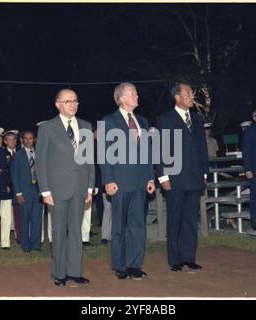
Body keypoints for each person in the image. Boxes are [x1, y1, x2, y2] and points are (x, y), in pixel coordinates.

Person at [36, 89, 95, 287]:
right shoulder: (47, 128)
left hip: (80, 188)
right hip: (57, 190)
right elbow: (41, 161)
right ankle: (59, 273)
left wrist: (90, 187)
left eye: (75, 101)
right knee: (59, 231)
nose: (73, 104)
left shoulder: (86, 126)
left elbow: (89, 160)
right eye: (68, 101)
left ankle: (74, 271)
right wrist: (45, 191)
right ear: (58, 104)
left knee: (76, 232)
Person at [100, 82, 156, 280]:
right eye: (133, 93)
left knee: (137, 226)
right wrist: (108, 180)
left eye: (136, 93)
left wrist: (151, 177)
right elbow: (104, 154)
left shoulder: (142, 121)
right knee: (119, 226)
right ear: (122, 98)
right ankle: (120, 265)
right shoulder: (109, 121)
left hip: (141, 181)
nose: (137, 96)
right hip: (120, 181)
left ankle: (134, 265)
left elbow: (148, 152)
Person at [155, 83, 209, 272]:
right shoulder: (165, 119)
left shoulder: (196, 119)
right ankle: (175, 259)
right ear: (177, 97)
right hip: (175, 178)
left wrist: (203, 173)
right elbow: (159, 150)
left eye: (191, 94)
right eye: (188, 93)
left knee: (190, 220)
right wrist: (163, 177)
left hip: (194, 177)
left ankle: (188, 257)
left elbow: (202, 148)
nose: (191, 96)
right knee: (175, 219)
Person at [11, 130, 43, 252]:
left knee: (37, 218)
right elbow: (14, 176)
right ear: (22, 140)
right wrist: (18, 193)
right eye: (26, 138)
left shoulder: (40, 154)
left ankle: (36, 244)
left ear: (34, 140)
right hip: (24, 192)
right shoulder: (17, 155)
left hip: (38, 191)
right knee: (24, 219)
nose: (28, 140)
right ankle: (25, 245)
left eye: (31, 138)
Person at [0, 130, 17, 249]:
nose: (12, 142)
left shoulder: (18, 152)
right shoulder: (1, 153)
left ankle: (5, 242)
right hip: (1, 188)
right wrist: (5, 184)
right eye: (9, 139)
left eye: (14, 139)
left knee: (6, 217)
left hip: (12, 190)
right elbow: (2, 172)